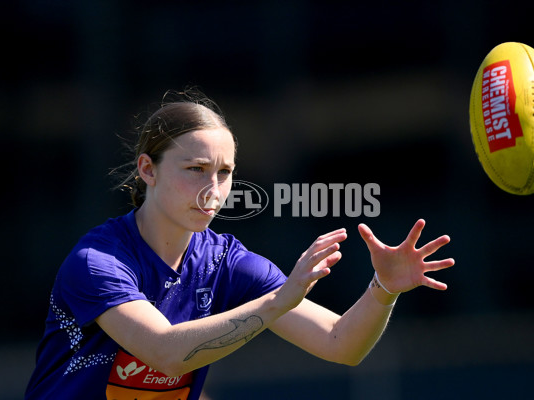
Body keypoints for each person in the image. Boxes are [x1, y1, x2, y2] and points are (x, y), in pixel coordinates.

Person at [25, 88, 455, 400]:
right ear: (147, 170)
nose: (213, 189)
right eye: (195, 168)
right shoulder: (98, 261)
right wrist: (275, 303)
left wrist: (383, 291)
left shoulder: (226, 261)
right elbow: (166, 353)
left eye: (225, 172)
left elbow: (341, 343)